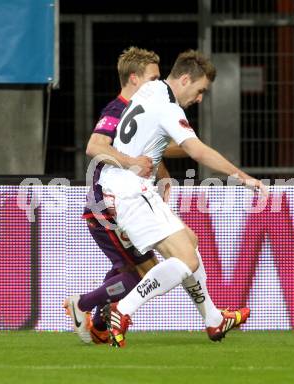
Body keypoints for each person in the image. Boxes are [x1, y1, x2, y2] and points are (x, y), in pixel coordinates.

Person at [63, 47, 251, 346]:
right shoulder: (143, 106)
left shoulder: (148, 92)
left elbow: (151, 141)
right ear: (186, 79)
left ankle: (214, 319)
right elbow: (98, 146)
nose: (200, 98)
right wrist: (241, 176)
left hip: (126, 192)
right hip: (119, 196)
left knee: (186, 243)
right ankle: (114, 311)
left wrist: (161, 175)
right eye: (200, 90)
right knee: (169, 265)